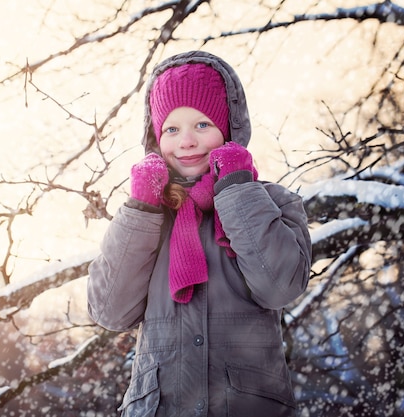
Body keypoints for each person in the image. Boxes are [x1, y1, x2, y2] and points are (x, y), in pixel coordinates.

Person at [87, 50, 312, 417]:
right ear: (155, 138)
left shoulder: (273, 203)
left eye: (202, 125)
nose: (186, 141)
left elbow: (280, 286)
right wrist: (142, 208)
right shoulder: (148, 216)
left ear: (229, 130)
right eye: (172, 129)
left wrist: (237, 188)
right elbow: (110, 311)